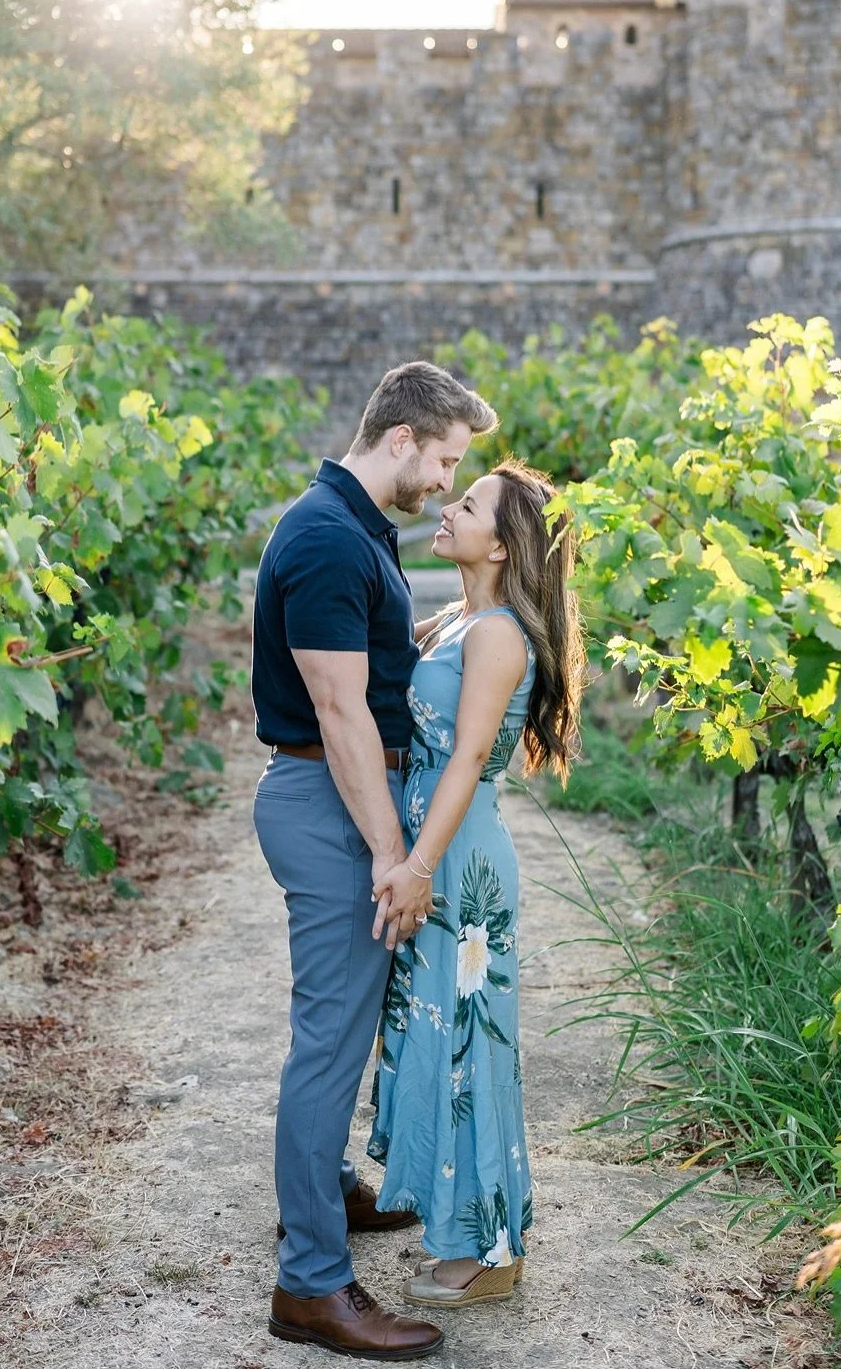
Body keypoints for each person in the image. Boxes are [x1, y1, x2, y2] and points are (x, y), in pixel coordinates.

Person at [253, 360, 498, 1360]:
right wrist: (394, 852)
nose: (445, 480)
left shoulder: (355, 527)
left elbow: (377, 659)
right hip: (327, 800)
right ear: (401, 438)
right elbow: (339, 707)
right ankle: (309, 1283)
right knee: (328, 1039)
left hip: (339, 795)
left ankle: (330, 1193)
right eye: (444, 459)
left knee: (345, 1027)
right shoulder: (322, 534)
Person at [367, 459, 584, 1307]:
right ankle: (462, 1230)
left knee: (470, 1048)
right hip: (438, 848)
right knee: (438, 1038)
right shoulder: (463, 619)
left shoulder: (494, 636)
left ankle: (495, 1251)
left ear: (501, 545)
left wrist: (419, 865)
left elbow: (464, 759)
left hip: (458, 861)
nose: (448, 509)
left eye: (468, 504)